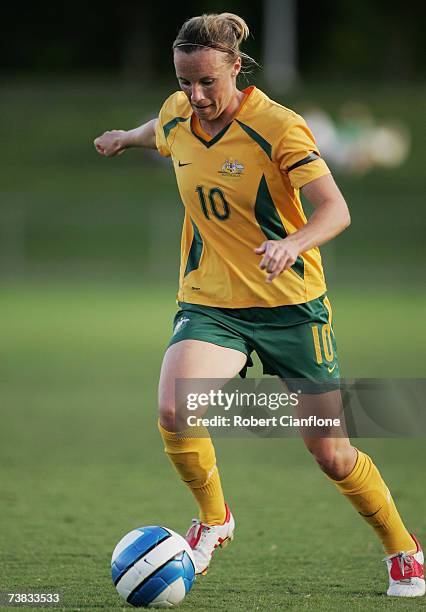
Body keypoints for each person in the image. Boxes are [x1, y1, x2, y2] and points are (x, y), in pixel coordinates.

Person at [94, 12, 424, 598]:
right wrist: (126, 137)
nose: (195, 97)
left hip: (292, 308)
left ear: (236, 69)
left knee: (331, 453)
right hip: (212, 301)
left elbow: (335, 209)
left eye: (207, 83)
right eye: (184, 82)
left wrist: (292, 243)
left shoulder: (279, 127)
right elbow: (161, 127)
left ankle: (404, 549)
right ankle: (216, 519)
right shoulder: (179, 113)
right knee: (175, 409)